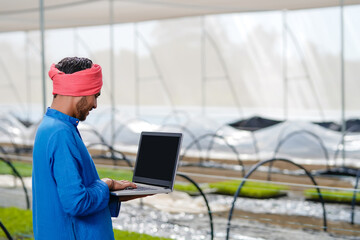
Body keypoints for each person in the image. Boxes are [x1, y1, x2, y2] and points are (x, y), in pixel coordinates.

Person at [32, 57, 144, 240]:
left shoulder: (50, 127)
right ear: (79, 89)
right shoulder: (61, 134)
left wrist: (118, 192)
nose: (95, 104)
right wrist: (106, 184)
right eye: (95, 95)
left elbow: (68, 197)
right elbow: (77, 203)